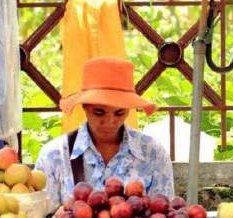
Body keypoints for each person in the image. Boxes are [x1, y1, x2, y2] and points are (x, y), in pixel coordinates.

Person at [35, 56, 174, 209]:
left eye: (119, 113)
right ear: (85, 107)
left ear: (129, 110)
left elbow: (164, 214)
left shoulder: (152, 153)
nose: (109, 121)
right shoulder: (55, 156)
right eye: (99, 112)